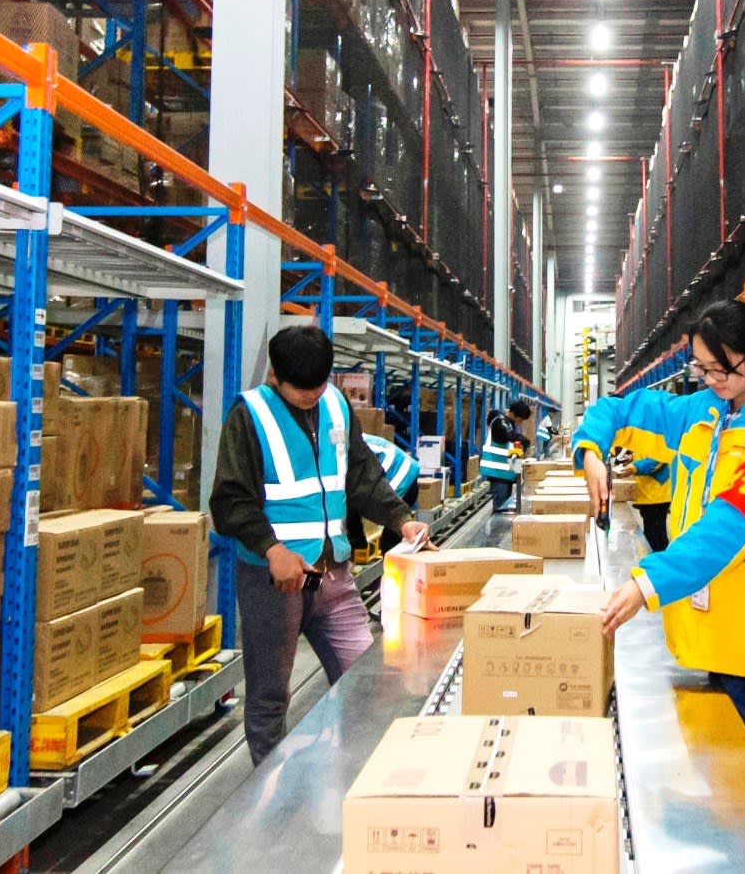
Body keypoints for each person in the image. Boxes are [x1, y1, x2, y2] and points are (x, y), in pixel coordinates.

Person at [576, 301, 745, 863]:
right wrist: (590, 450)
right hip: (712, 636)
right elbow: (619, 409)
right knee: (734, 784)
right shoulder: (701, 413)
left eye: (721, 369)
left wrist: (647, 583)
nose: (711, 380)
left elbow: (730, 527)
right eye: (702, 369)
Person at [211, 325, 429, 764]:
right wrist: (272, 550)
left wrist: (402, 520)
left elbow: (362, 474)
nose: (311, 396)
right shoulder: (249, 415)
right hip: (273, 583)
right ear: (275, 375)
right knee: (270, 696)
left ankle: (361, 775)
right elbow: (229, 500)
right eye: (301, 390)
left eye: (319, 386)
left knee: (367, 677)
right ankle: (270, 789)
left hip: (334, 577)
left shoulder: (335, 405)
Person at [345, 431, 421, 555]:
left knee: (392, 540)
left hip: (401, 476)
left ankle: (361, 548)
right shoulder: (343, 436)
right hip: (404, 473)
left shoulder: (345, 445)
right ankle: (358, 547)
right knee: (351, 501)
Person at [482, 399, 533, 513]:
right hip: (498, 474)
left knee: (504, 506)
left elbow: (511, 449)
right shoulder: (500, 423)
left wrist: (517, 471)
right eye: (521, 419)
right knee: (500, 509)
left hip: (505, 475)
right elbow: (509, 435)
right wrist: (522, 439)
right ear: (515, 414)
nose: (520, 422)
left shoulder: (509, 424)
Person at [624, 450, 673, 553]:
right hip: (648, 494)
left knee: (656, 537)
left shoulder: (662, 440)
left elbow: (659, 458)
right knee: (651, 534)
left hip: (657, 494)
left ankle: (659, 559)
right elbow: (647, 453)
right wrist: (633, 457)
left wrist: (635, 467)